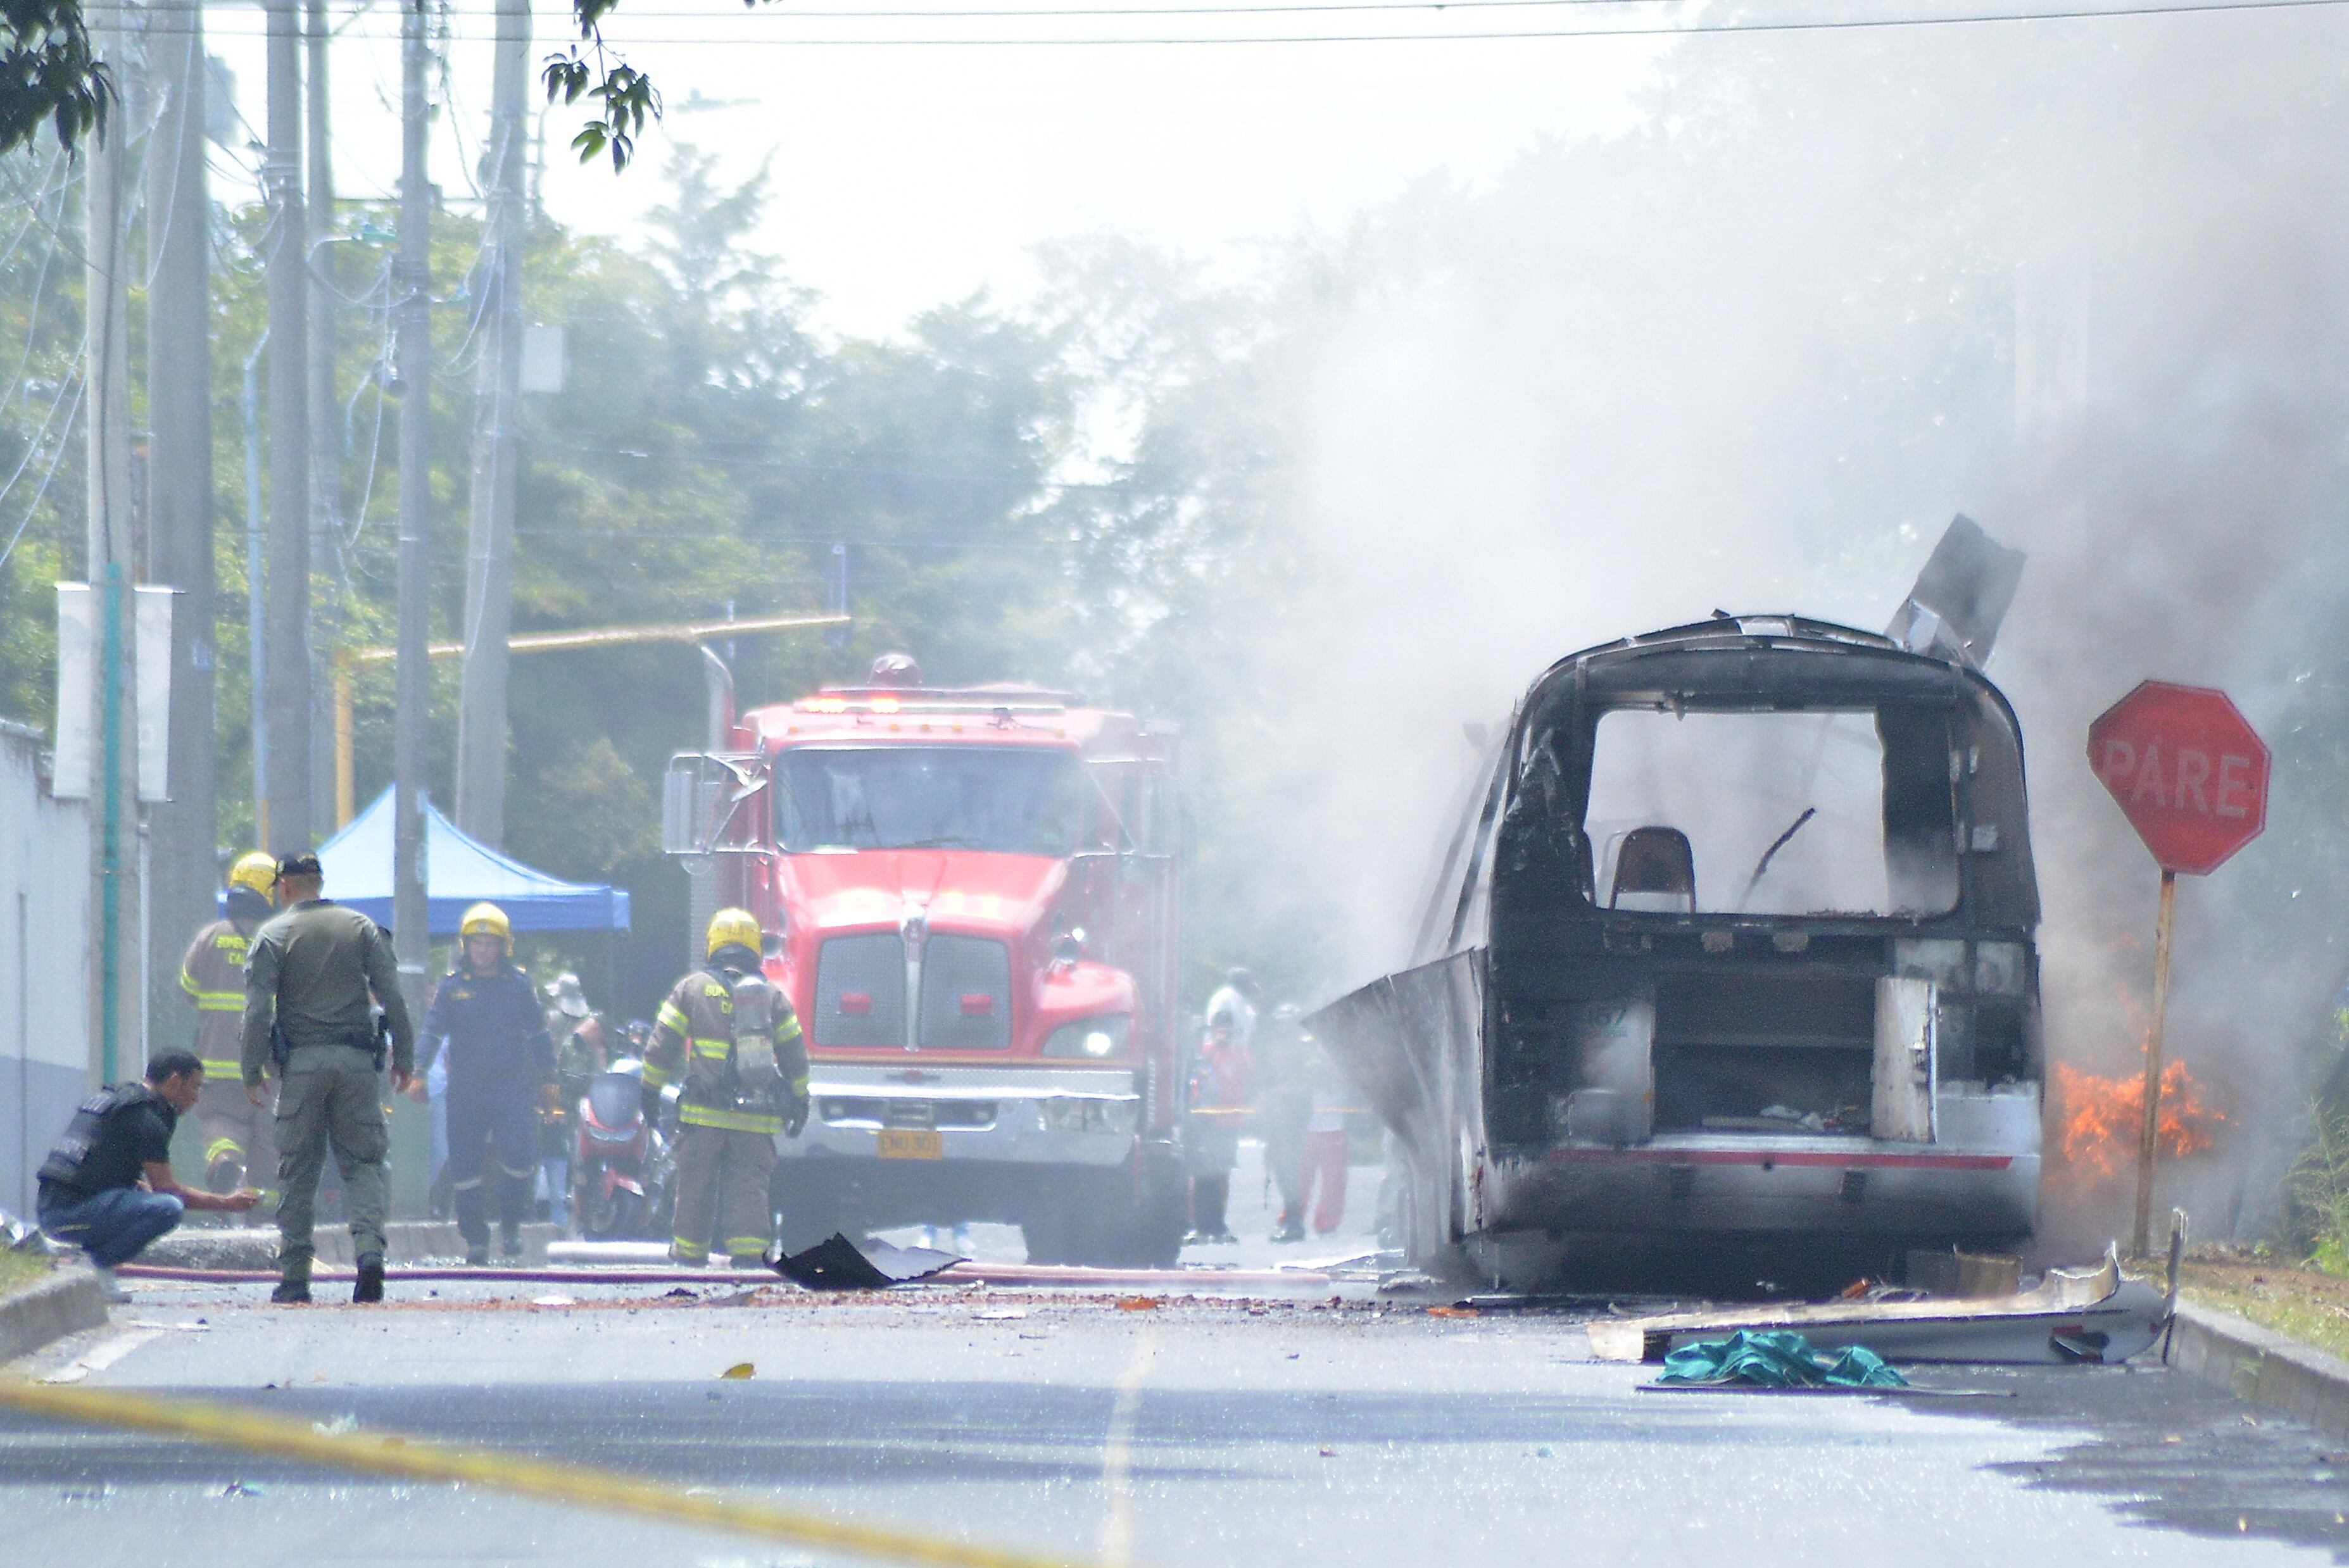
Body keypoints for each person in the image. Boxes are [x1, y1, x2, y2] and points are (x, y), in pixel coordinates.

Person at [240, 853, 415, 1306]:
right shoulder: (361, 927)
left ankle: (296, 1276)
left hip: (301, 1068)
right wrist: (406, 1057)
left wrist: (250, 1068)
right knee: (363, 1165)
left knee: (299, 1170)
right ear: (319, 882)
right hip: (358, 1067)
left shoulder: (272, 935)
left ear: (284, 888)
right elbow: (393, 996)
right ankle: (370, 1255)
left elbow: (258, 1011)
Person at [645, 908, 808, 1268]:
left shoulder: (692, 989)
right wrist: (800, 1099)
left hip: (703, 1118)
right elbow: (795, 1053)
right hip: (755, 1118)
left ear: (713, 944)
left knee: (695, 1185)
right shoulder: (771, 996)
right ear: (755, 948)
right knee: (749, 1187)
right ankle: (749, 1255)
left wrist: (649, 1091)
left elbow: (661, 1047)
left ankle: (689, 1256)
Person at [36, 1051, 258, 1300]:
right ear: (174, 1081)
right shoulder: (147, 1117)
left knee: (145, 1195)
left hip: (54, 1209)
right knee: (168, 1208)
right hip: (67, 1215)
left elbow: (102, 1172)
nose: (196, 1099)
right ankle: (92, 1267)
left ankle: (91, 1268)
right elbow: (168, 1190)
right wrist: (227, 1203)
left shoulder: (116, 1100)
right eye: (194, 1088)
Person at [412, 904, 553, 1265]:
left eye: (491, 944)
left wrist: (550, 1079)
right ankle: (475, 1237)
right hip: (466, 1092)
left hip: (512, 1090)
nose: (483, 951)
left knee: (521, 1160)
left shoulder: (520, 987)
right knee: (466, 1170)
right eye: (477, 943)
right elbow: (431, 1032)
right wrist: (417, 1072)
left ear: (504, 947)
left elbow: (539, 1034)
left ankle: (510, 1227)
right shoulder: (451, 988)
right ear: (465, 946)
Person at [178, 850, 281, 1200]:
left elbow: (188, 989)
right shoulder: (278, 944)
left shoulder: (210, 938)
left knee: (220, 1122)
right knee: (265, 1132)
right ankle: (259, 1198)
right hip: (265, 1068)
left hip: (216, 1063)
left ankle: (225, 1158)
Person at [544, 972, 607, 1232]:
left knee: (553, 1146)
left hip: (558, 1092)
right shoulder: (592, 1021)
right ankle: (579, 1206)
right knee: (580, 1150)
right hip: (587, 1094)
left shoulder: (553, 1019)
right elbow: (600, 1061)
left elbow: (547, 1055)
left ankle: (557, 1209)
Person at [1183, 1012, 1252, 1246]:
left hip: (1230, 1123)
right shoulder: (1205, 1054)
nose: (1225, 1032)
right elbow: (1197, 1084)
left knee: (1223, 1173)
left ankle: (1219, 1223)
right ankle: (1195, 1223)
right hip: (1206, 1122)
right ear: (1213, 1030)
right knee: (1201, 1174)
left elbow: (1249, 1081)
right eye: (1220, 1027)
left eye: (1228, 1027)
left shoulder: (1241, 1055)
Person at [1253, 1003, 1314, 1245]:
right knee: (1281, 1169)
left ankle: (1294, 1222)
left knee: (1291, 1170)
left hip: (1293, 1116)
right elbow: (1267, 1082)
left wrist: (1286, 1093)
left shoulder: (1303, 1048)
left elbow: (1311, 1080)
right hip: (1278, 1118)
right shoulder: (1276, 1048)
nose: (1282, 1027)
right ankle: (1291, 1220)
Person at [1204, 967, 1263, 1053]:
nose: (1251, 987)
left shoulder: (1240, 1001)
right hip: (1223, 1053)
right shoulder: (1226, 997)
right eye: (1248, 983)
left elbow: (1253, 1026)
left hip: (1235, 1053)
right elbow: (1220, 1029)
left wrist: (1260, 1002)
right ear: (1242, 983)